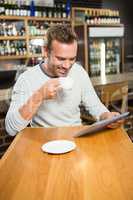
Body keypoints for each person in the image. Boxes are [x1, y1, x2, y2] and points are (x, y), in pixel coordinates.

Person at [5, 24, 123, 136]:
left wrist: (107, 116)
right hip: (44, 141)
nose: (67, 66)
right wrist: (39, 95)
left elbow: (95, 106)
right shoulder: (27, 79)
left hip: (75, 137)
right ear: (45, 51)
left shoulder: (79, 71)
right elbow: (11, 129)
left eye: (72, 59)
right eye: (61, 58)